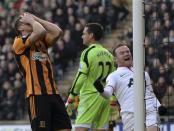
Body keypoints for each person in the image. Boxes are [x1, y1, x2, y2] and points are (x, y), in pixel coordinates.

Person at [12, 12, 72, 131]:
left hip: (53, 93)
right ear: (20, 28)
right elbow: (41, 31)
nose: (31, 21)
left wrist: (35, 18)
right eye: (26, 21)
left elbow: (57, 31)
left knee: (65, 128)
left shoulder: (42, 42)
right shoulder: (18, 42)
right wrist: (33, 21)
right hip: (37, 95)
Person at [94, 42, 161, 131]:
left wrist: (159, 106)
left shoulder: (143, 73)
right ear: (115, 59)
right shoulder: (114, 76)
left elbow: (150, 93)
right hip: (131, 114)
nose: (126, 54)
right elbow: (107, 94)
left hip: (150, 110)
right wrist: (100, 89)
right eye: (122, 53)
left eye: (127, 51)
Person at [66, 23, 115, 131]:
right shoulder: (109, 55)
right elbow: (113, 79)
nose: (82, 36)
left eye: (84, 34)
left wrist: (71, 97)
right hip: (105, 99)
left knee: (80, 128)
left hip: (90, 96)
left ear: (91, 35)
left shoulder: (88, 52)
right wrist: (113, 99)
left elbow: (81, 76)